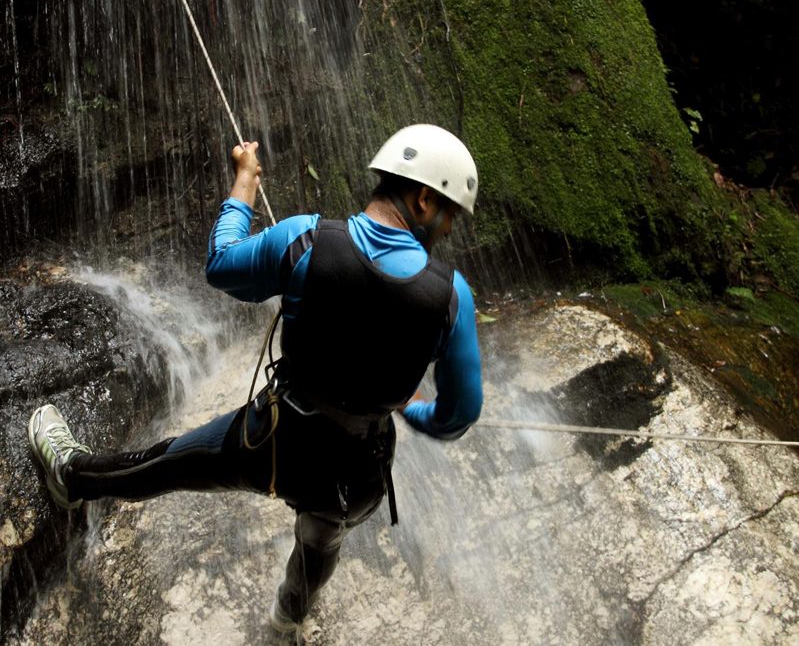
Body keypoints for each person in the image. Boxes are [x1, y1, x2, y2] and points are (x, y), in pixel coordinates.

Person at [27, 124, 484, 633]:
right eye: (450, 216)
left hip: (272, 444)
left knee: (165, 464)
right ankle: (289, 618)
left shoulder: (306, 239)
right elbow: (457, 416)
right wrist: (411, 409)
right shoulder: (452, 297)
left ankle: (72, 477)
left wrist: (244, 179)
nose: (448, 230)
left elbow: (221, 264)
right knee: (321, 538)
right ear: (424, 198)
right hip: (355, 475)